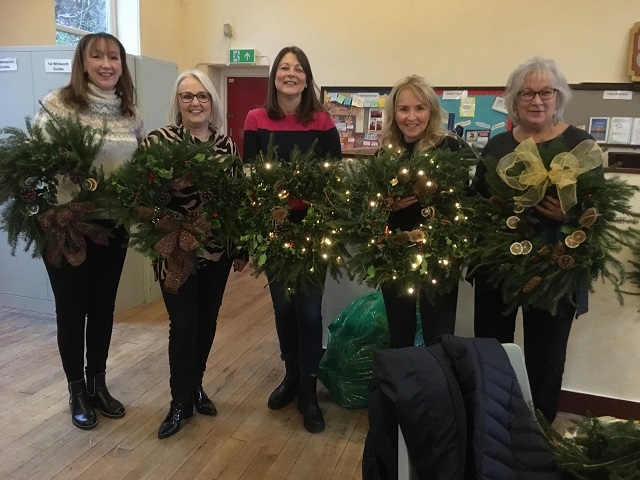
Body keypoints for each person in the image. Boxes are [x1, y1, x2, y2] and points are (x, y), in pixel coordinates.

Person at [471, 57, 596, 423]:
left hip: (556, 268)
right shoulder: (496, 146)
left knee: (546, 358)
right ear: (514, 99)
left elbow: (599, 207)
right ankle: (492, 425)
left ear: (559, 97)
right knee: (492, 351)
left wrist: (569, 216)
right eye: (527, 92)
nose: (537, 100)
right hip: (497, 269)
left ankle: (539, 432)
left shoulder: (579, 143)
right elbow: (478, 200)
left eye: (546, 91)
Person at [34, 33, 145, 430]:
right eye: (96, 56)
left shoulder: (130, 113)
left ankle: (98, 382)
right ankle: (76, 389)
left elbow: (135, 169)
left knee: (102, 307)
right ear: (82, 63)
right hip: (68, 226)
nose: (106, 64)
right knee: (71, 310)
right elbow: (37, 164)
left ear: (121, 64)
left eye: (113, 57)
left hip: (111, 225)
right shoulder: (58, 105)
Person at [142, 70, 247, 439]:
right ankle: (178, 401)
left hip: (216, 251)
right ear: (178, 102)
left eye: (202, 96)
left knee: (207, 320)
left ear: (212, 102)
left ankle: (196, 385)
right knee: (183, 324)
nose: (195, 103)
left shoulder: (226, 145)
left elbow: (236, 200)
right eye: (187, 96)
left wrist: (239, 245)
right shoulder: (160, 142)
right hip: (175, 252)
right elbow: (142, 198)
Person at [243, 46, 342, 433]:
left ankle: (308, 389)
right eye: (284, 67)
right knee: (283, 308)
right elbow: (250, 173)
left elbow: (333, 178)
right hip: (274, 227)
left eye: (298, 68)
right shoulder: (255, 119)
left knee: (310, 311)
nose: (290, 73)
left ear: (307, 77)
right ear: (274, 77)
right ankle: (289, 377)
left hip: (312, 228)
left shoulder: (321, 121)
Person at [377, 75, 464, 349]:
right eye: (403, 109)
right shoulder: (386, 153)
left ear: (431, 111)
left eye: (419, 108)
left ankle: (438, 390)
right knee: (399, 331)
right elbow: (371, 205)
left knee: (438, 334)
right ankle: (404, 389)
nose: (411, 117)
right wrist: (385, 204)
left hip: (438, 256)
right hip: (396, 253)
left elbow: (461, 203)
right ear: (394, 113)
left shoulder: (450, 148)